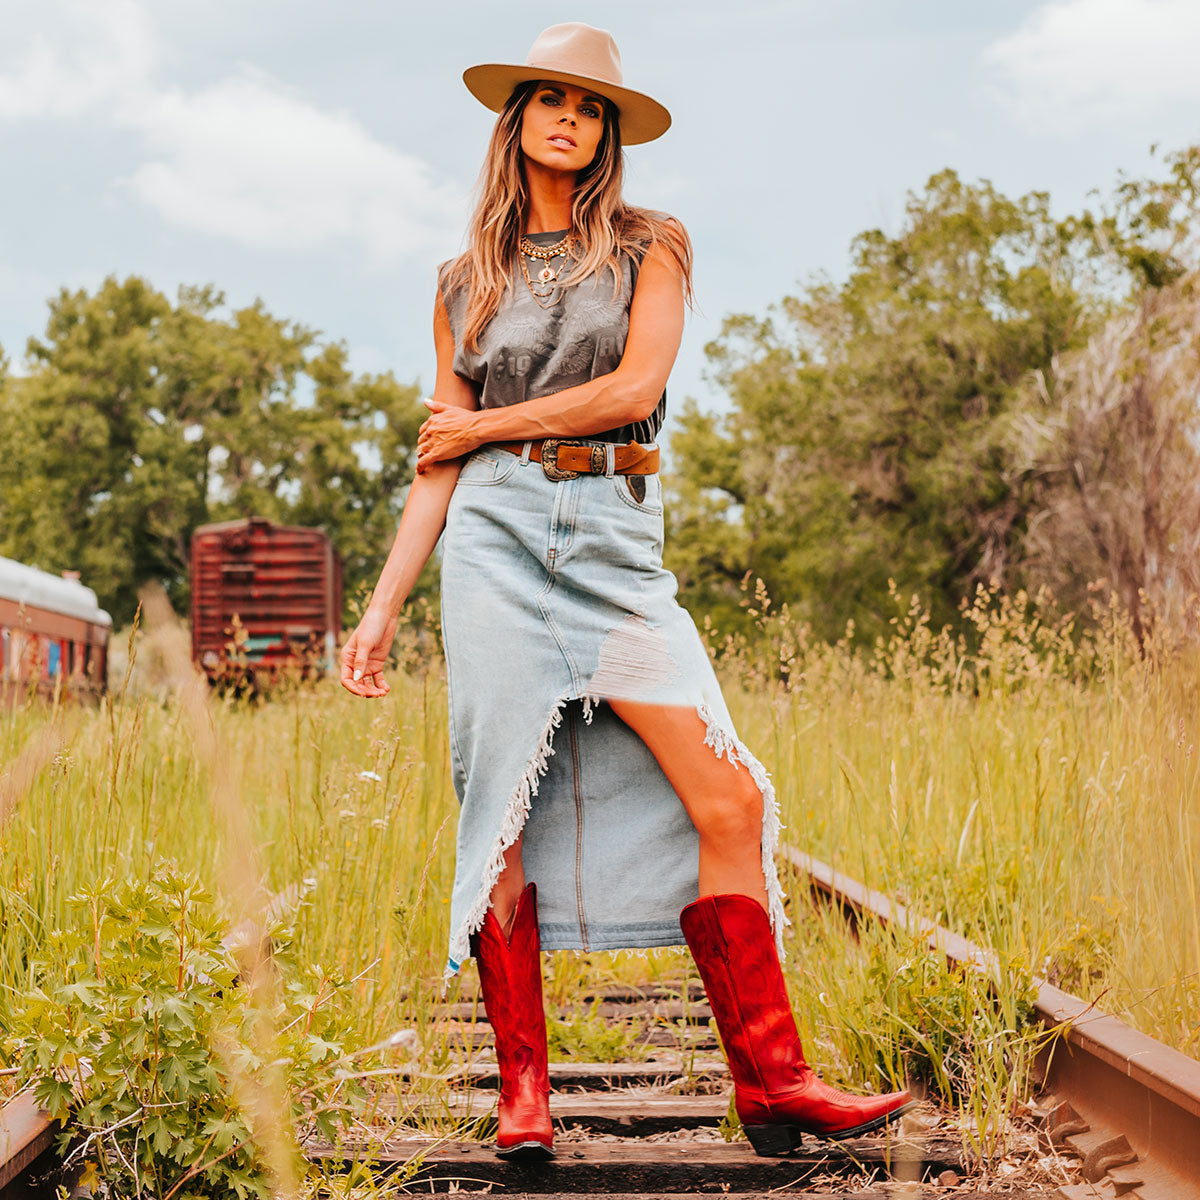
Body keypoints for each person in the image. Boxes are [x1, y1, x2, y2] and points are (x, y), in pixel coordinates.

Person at [341, 22, 913, 1162]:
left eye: (590, 105)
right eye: (550, 99)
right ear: (518, 123)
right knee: (498, 805)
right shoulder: (464, 283)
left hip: (610, 539)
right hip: (493, 542)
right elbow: (437, 462)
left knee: (730, 799)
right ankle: (523, 1097)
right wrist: (382, 604)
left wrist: (488, 420)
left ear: (608, 131)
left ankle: (774, 1082)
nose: (570, 117)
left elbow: (634, 386)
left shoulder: (654, 242)